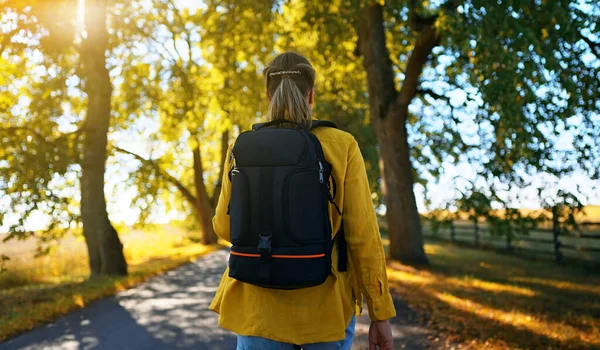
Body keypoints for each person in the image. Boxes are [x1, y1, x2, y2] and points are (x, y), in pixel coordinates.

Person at [209, 52, 396, 350]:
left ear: (269, 95)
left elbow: (224, 226)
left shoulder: (241, 146)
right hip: (325, 311)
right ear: (310, 95)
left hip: (258, 310)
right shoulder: (342, 144)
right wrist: (380, 313)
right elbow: (363, 236)